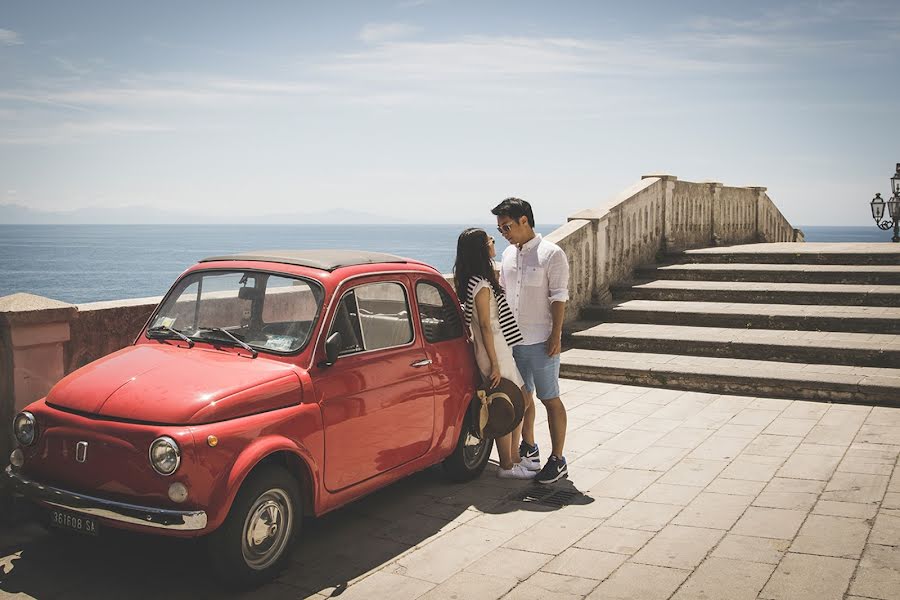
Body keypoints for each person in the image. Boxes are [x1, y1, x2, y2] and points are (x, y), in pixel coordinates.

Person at [492, 197, 570, 484]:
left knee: (549, 399)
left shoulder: (552, 254)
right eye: (500, 229)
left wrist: (556, 335)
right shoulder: (509, 255)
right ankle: (530, 449)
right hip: (513, 342)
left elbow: (559, 297)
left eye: (507, 226)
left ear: (524, 220)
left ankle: (558, 459)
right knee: (522, 399)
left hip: (541, 341)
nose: (504, 233)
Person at [454, 227, 535, 480]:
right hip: (494, 351)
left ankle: (513, 459)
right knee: (505, 403)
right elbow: (486, 327)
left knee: (519, 400)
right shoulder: (481, 285)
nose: (493, 242)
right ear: (481, 249)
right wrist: (495, 365)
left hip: (499, 349)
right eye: (489, 240)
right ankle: (507, 465)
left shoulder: (476, 280)